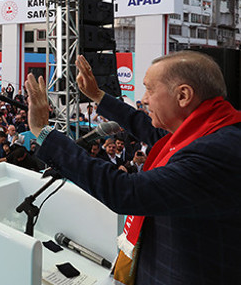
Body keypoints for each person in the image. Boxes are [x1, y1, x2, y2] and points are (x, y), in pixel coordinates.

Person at [25, 52, 241, 285]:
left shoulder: (216, 151)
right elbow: (147, 128)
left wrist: (43, 132)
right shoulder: (208, 129)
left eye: (149, 89)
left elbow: (125, 191)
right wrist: (97, 96)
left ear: (183, 95)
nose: (144, 99)